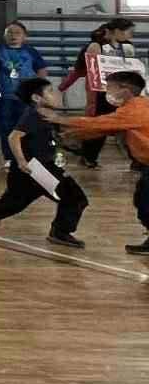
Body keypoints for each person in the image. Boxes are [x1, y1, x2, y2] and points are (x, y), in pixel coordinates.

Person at [0, 78, 85, 247]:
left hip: (41, 168)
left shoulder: (48, 116)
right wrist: (21, 161)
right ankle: (60, 232)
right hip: (33, 169)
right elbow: (14, 137)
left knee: (14, 203)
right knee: (73, 197)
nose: (55, 94)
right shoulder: (33, 115)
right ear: (36, 98)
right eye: (50, 91)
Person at [47, 68, 149, 254]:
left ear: (125, 89)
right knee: (142, 201)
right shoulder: (133, 109)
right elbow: (105, 129)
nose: (106, 93)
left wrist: (61, 119)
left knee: (145, 203)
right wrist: (73, 134)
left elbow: (99, 123)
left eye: (109, 88)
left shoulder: (135, 110)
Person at [59, 18, 136, 170]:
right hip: (101, 92)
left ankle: (138, 160)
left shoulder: (128, 47)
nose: (131, 35)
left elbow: (132, 69)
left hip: (122, 92)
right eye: (129, 31)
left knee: (130, 125)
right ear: (117, 31)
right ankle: (88, 156)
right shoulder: (95, 46)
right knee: (98, 127)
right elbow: (82, 71)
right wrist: (61, 88)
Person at [0, 20, 45, 165]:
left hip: (26, 97)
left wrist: (39, 89)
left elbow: (41, 70)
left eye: (17, 33)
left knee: (26, 127)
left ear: (24, 36)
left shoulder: (31, 51)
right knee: (6, 128)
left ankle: (27, 156)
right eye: (10, 32)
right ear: (4, 35)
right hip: (4, 96)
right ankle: (9, 158)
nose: (13, 35)